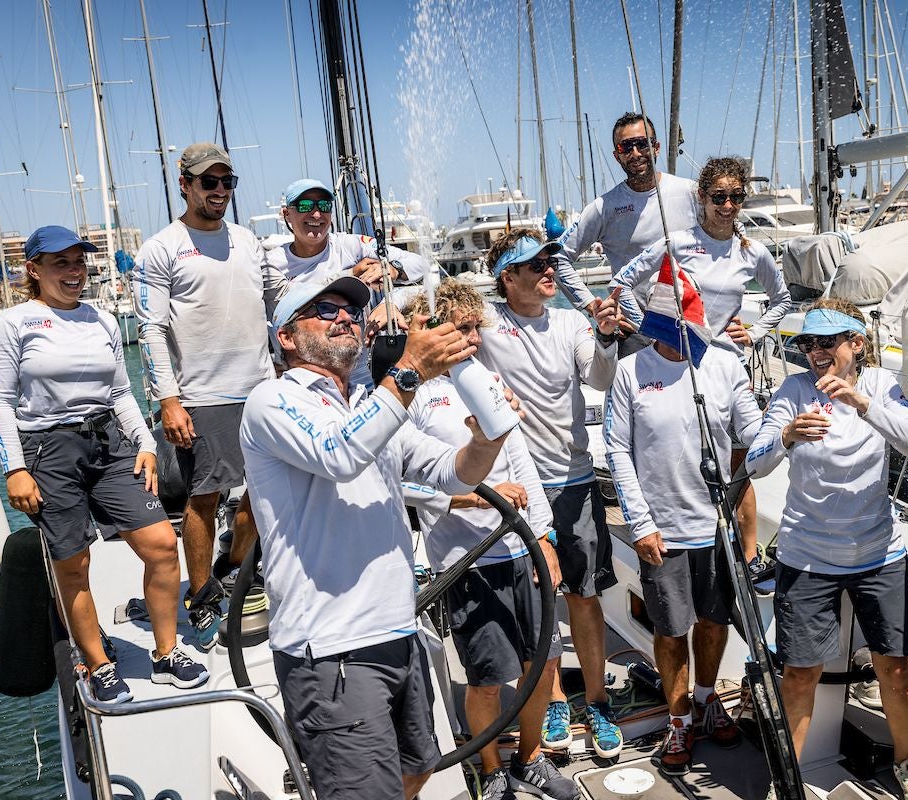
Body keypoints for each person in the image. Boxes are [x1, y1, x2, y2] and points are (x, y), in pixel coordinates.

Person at [240, 274, 514, 800]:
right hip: (333, 653)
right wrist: (409, 372)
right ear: (287, 337)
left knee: (419, 767)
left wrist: (485, 439)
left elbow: (454, 474)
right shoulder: (271, 401)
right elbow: (339, 455)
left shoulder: (369, 401)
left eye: (351, 310)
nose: (345, 317)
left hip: (398, 633)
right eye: (324, 310)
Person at [0, 226, 208, 704]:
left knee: (162, 546)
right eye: (60, 262)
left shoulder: (102, 319)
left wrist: (145, 444)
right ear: (34, 270)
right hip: (47, 451)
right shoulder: (14, 324)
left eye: (78, 261)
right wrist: (14, 469)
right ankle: (97, 662)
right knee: (74, 564)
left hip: (108, 443)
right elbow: (0, 401)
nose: (73, 271)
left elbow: (121, 392)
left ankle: (166, 653)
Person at [746, 299, 908, 800]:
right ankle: (784, 781)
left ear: (857, 343)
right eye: (809, 343)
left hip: (879, 555)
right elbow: (754, 465)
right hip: (807, 556)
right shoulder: (792, 391)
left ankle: (906, 763)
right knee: (799, 675)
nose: (816, 352)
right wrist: (785, 436)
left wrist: (861, 402)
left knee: (894, 668)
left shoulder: (879, 386)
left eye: (827, 341)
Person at [400, 281, 579, 800]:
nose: (471, 338)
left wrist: (544, 539)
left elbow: (521, 461)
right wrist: (470, 498)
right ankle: (490, 764)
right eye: (460, 329)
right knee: (486, 677)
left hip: (522, 547)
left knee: (543, 662)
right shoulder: (412, 395)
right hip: (466, 560)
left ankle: (530, 757)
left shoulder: (489, 380)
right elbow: (402, 483)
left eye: (476, 327)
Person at [604, 266, 763, 776]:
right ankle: (678, 719)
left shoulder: (726, 366)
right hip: (662, 530)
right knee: (671, 631)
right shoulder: (631, 372)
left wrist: (747, 523)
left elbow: (753, 439)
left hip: (716, 527)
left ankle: (706, 697)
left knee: (714, 623)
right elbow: (617, 451)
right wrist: (641, 522)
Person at [475, 229, 625, 759]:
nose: (546, 270)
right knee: (542, 600)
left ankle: (599, 700)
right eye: (532, 264)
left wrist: (606, 336)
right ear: (505, 278)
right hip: (518, 489)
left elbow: (601, 379)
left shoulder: (568, 321)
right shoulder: (488, 323)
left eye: (548, 261)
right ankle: (556, 697)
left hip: (575, 480)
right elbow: (430, 308)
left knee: (584, 598)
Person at [610, 155, 792, 569]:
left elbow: (783, 300)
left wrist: (758, 331)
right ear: (702, 197)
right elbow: (622, 282)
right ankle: (682, 533)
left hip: (724, 362)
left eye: (736, 197)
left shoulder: (752, 251)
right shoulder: (677, 242)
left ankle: (748, 554)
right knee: (683, 448)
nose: (727, 205)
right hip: (674, 361)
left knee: (737, 458)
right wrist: (648, 329)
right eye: (718, 197)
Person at [131, 142, 273, 650]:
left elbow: (276, 304)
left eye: (225, 183)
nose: (218, 191)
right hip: (202, 396)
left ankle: (232, 568)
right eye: (207, 182)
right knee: (204, 496)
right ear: (185, 184)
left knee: (267, 488)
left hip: (260, 388)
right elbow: (149, 330)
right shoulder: (162, 247)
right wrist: (169, 400)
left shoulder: (248, 242)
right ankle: (202, 596)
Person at [264, 178, 430, 389]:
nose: (316, 214)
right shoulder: (271, 264)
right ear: (287, 214)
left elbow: (420, 263)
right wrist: (351, 273)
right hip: (303, 384)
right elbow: (294, 301)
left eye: (324, 206)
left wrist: (392, 269)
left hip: (361, 381)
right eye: (305, 206)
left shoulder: (351, 245)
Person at [551, 113, 698, 320]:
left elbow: (729, 242)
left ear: (656, 147)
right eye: (625, 147)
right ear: (616, 155)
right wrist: (592, 306)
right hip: (637, 330)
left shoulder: (692, 192)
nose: (635, 153)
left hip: (696, 323)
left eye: (642, 144)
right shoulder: (604, 207)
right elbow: (557, 257)